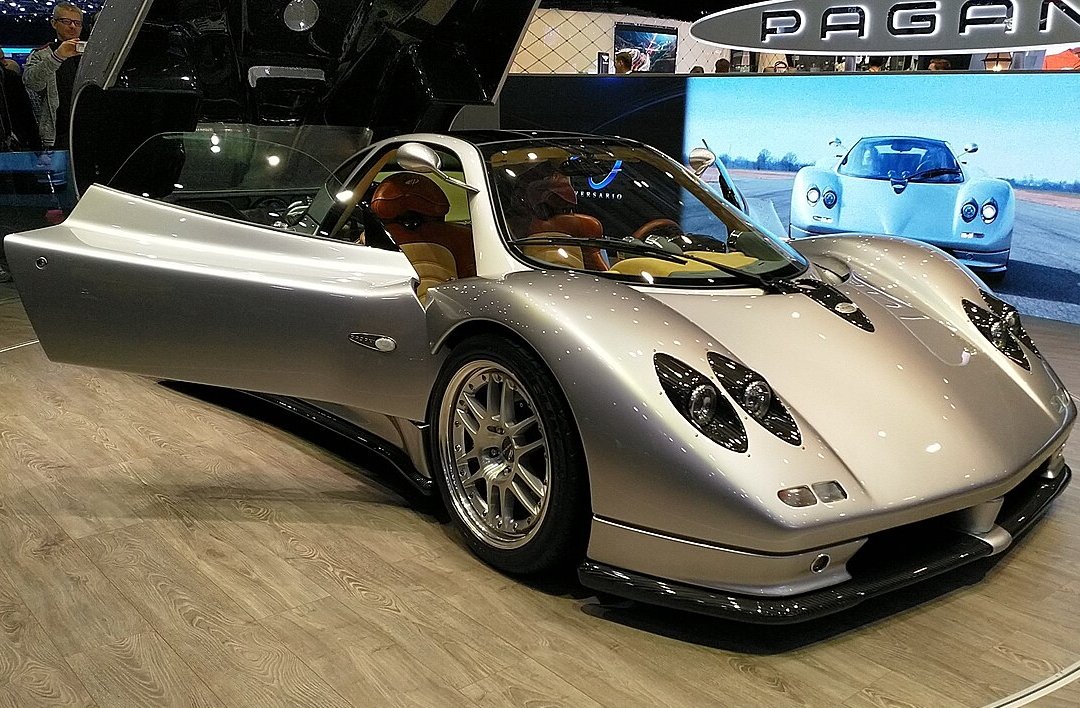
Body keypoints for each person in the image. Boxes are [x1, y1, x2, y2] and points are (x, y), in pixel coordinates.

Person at [23, 2, 84, 149]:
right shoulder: (42, 55)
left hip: (88, 129)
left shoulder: (92, 55)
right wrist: (57, 57)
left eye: (77, 23)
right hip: (59, 136)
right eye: (66, 21)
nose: (72, 26)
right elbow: (31, 82)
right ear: (54, 23)